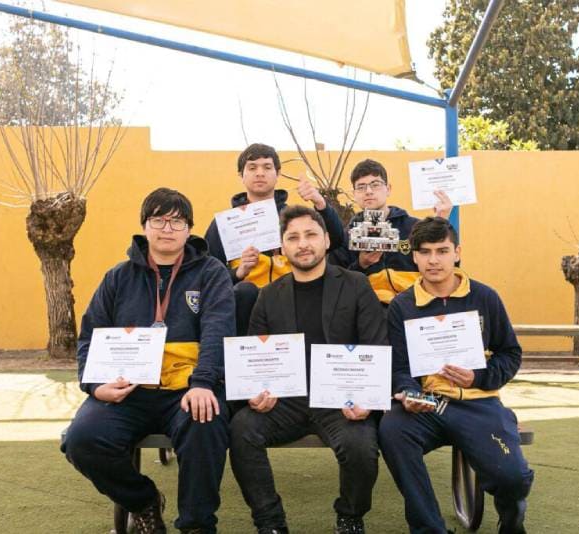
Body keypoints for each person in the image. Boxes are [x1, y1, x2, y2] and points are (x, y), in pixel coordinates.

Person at [62, 188, 235, 534]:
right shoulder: (118, 276)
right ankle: (143, 502)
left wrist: (202, 383)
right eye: (159, 219)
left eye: (177, 221)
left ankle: (197, 524)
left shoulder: (211, 272)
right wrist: (96, 386)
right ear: (145, 226)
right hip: (129, 392)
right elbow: (89, 337)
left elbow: (218, 330)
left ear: (189, 229)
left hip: (186, 389)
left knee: (206, 421)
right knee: (81, 439)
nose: (167, 228)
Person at [229, 205, 387, 534]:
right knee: (242, 429)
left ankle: (350, 515)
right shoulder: (268, 296)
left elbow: (376, 346)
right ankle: (270, 522)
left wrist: (366, 398)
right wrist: (258, 392)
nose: (303, 244)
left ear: (327, 240)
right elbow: (255, 355)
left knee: (360, 448)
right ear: (282, 247)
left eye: (311, 235)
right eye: (293, 237)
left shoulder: (357, 285)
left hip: (340, 400)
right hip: (286, 400)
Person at [378, 217, 534, 534]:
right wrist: (409, 393)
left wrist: (477, 378)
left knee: (513, 478)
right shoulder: (402, 305)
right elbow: (398, 366)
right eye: (425, 252)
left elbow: (510, 354)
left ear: (457, 252)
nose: (433, 260)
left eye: (442, 250)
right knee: (392, 429)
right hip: (430, 406)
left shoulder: (485, 297)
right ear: (414, 256)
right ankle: (429, 529)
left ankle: (512, 522)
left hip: (479, 405)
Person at [203, 143, 345, 335]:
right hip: (245, 303)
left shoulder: (294, 217)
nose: (260, 173)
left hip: (292, 295)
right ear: (241, 175)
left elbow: (336, 240)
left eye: (267, 167)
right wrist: (238, 272)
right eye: (252, 167)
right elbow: (208, 274)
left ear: (278, 174)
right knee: (245, 291)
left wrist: (320, 203)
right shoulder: (226, 223)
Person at [331, 158, 452, 305]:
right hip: (369, 311)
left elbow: (442, 266)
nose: (368, 191)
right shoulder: (347, 236)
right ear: (354, 194)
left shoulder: (415, 227)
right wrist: (361, 264)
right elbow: (337, 285)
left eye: (375, 185)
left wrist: (441, 222)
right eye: (361, 187)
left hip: (414, 306)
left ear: (388, 189)